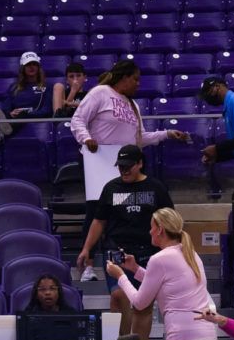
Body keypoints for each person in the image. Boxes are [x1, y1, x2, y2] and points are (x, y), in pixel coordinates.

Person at [70, 60, 189, 247]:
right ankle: (88, 263)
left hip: (127, 164)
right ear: (124, 78)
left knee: (126, 212)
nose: (138, 83)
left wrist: (166, 134)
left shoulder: (133, 105)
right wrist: (86, 138)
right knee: (96, 212)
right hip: (100, 161)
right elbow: (78, 120)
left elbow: (139, 138)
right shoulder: (100, 92)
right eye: (135, 79)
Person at [78, 144, 174, 339]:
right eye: (120, 166)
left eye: (128, 165)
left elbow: (170, 220)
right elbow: (99, 221)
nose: (124, 170)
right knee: (118, 295)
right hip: (116, 251)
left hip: (148, 252)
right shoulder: (111, 188)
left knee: (143, 305)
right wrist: (86, 248)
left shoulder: (156, 188)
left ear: (140, 163)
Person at [106, 208, 217, 340]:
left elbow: (139, 303)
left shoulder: (159, 259)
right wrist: (135, 269)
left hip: (182, 335)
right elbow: (167, 283)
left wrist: (120, 276)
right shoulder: (191, 254)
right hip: (207, 333)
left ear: (160, 230)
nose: (149, 231)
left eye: (152, 227)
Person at [0, 52, 53, 146]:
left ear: (38, 67)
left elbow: (47, 110)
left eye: (34, 64)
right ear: (23, 68)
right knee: (4, 114)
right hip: (14, 117)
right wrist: (10, 113)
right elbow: (6, 105)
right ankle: (2, 128)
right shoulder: (14, 87)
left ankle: (1, 132)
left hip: (35, 117)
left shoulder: (47, 87)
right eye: (28, 65)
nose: (31, 67)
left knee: (22, 115)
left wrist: (27, 113)